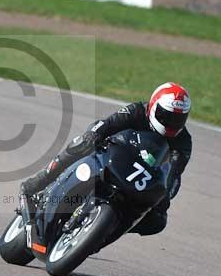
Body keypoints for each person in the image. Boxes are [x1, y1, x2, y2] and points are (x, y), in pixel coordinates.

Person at [19, 82, 192, 236]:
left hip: (139, 180)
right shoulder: (137, 111)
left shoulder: (183, 142)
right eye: (166, 115)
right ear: (153, 107)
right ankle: (42, 180)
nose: (171, 122)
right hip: (112, 156)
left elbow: (174, 173)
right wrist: (93, 135)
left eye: (178, 118)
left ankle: (105, 230)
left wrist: (165, 197)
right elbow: (107, 124)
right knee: (82, 143)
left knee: (158, 221)